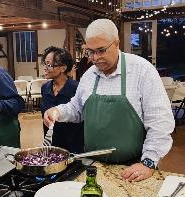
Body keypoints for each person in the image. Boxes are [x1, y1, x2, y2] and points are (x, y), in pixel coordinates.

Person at [44, 19, 175, 182]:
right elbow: (77, 108)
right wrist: (58, 111)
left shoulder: (142, 71)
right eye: (90, 52)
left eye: (101, 50)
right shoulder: (89, 75)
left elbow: (160, 122)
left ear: (117, 43)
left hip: (133, 166)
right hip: (93, 163)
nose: (95, 58)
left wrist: (148, 162)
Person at [41, 46, 84, 153]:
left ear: (63, 68)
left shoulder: (77, 88)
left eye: (49, 65)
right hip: (52, 144)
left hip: (73, 147)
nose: (45, 68)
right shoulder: (45, 88)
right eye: (45, 64)